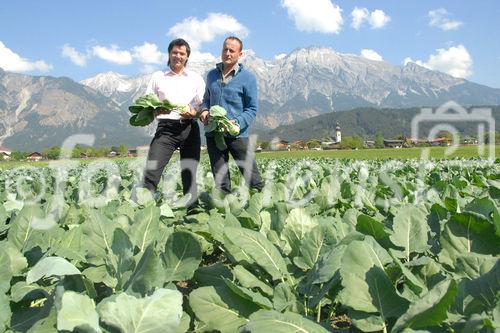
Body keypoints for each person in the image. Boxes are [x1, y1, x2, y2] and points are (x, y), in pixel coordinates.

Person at [143, 38, 205, 211]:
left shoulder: (196, 78)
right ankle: (144, 210)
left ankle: (193, 212)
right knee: (152, 170)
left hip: (189, 128)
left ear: (187, 57)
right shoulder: (158, 77)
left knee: (190, 172)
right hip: (166, 130)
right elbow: (148, 103)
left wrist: (194, 113)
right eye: (175, 53)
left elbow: (202, 106)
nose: (178, 56)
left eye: (182, 53)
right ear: (169, 55)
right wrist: (156, 111)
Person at [200, 36, 264, 194]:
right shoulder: (211, 75)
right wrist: (204, 110)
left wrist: (238, 123)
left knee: (252, 177)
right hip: (214, 134)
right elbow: (206, 99)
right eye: (225, 49)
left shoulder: (248, 78)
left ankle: (262, 206)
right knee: (221, 180)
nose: (227, 53)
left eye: (231, 50)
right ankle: (223, 212)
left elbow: (252, 108)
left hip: (238, 135)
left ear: (240, 54)